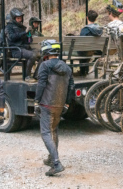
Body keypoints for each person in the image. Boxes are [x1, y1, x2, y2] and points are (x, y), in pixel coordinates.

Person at [34, 39, 74, 176]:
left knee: (45, 132)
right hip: (60, 104)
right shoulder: (67, 67)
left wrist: (36, 100)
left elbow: (41, 84)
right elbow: (71, 87)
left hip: (47, 103)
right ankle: (51, 158)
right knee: (54, 130)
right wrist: (67, 103)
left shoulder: (45, 65)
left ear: (46, 51)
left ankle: (56, 163)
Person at [5, 8, 37, 82]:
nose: (20, 20)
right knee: (32, 55)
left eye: (21, 18)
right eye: (18, 18)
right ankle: (27, 76)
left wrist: (29, 35)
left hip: (25, 48)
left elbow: (29, 41)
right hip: (16, 50)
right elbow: (12, 38)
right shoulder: (9, 27)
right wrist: (24, 33)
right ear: (14, 18)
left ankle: (36, 75)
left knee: (42, 54)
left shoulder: (23, 27)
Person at [78, 10, 103, 75]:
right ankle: (86, 71)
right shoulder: (100, 30)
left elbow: (81, 42)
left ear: (87, 18)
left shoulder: (85, 30)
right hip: (96, 50)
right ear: (96, 19)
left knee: (81, 50)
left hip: (85, 51)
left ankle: (83, 73)